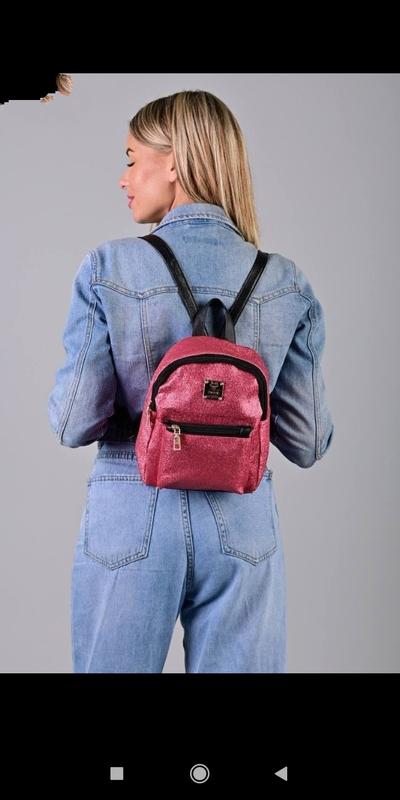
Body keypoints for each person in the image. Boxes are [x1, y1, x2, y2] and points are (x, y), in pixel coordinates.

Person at [47, 89, 334, 673]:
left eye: (132, 159)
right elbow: (308, 442)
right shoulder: (285, 282)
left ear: (174, 162)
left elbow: (73, 422)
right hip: (242, 517)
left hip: (132, 508)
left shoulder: (108, 267)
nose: (123, 178)